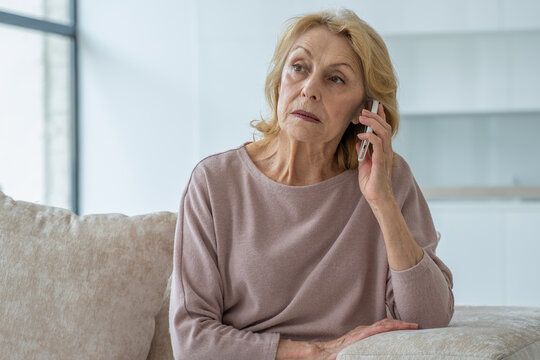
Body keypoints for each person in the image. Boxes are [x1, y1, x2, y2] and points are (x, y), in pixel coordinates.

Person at [169, 8, 454, 360]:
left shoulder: (389, 180)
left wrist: (382, 201)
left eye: (336, 79)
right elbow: (190, 340)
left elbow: (429, 320)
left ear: (365, 110)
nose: (309, 89)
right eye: (299, 67)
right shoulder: (213, 183)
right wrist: (318, 352)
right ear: (279, 80)